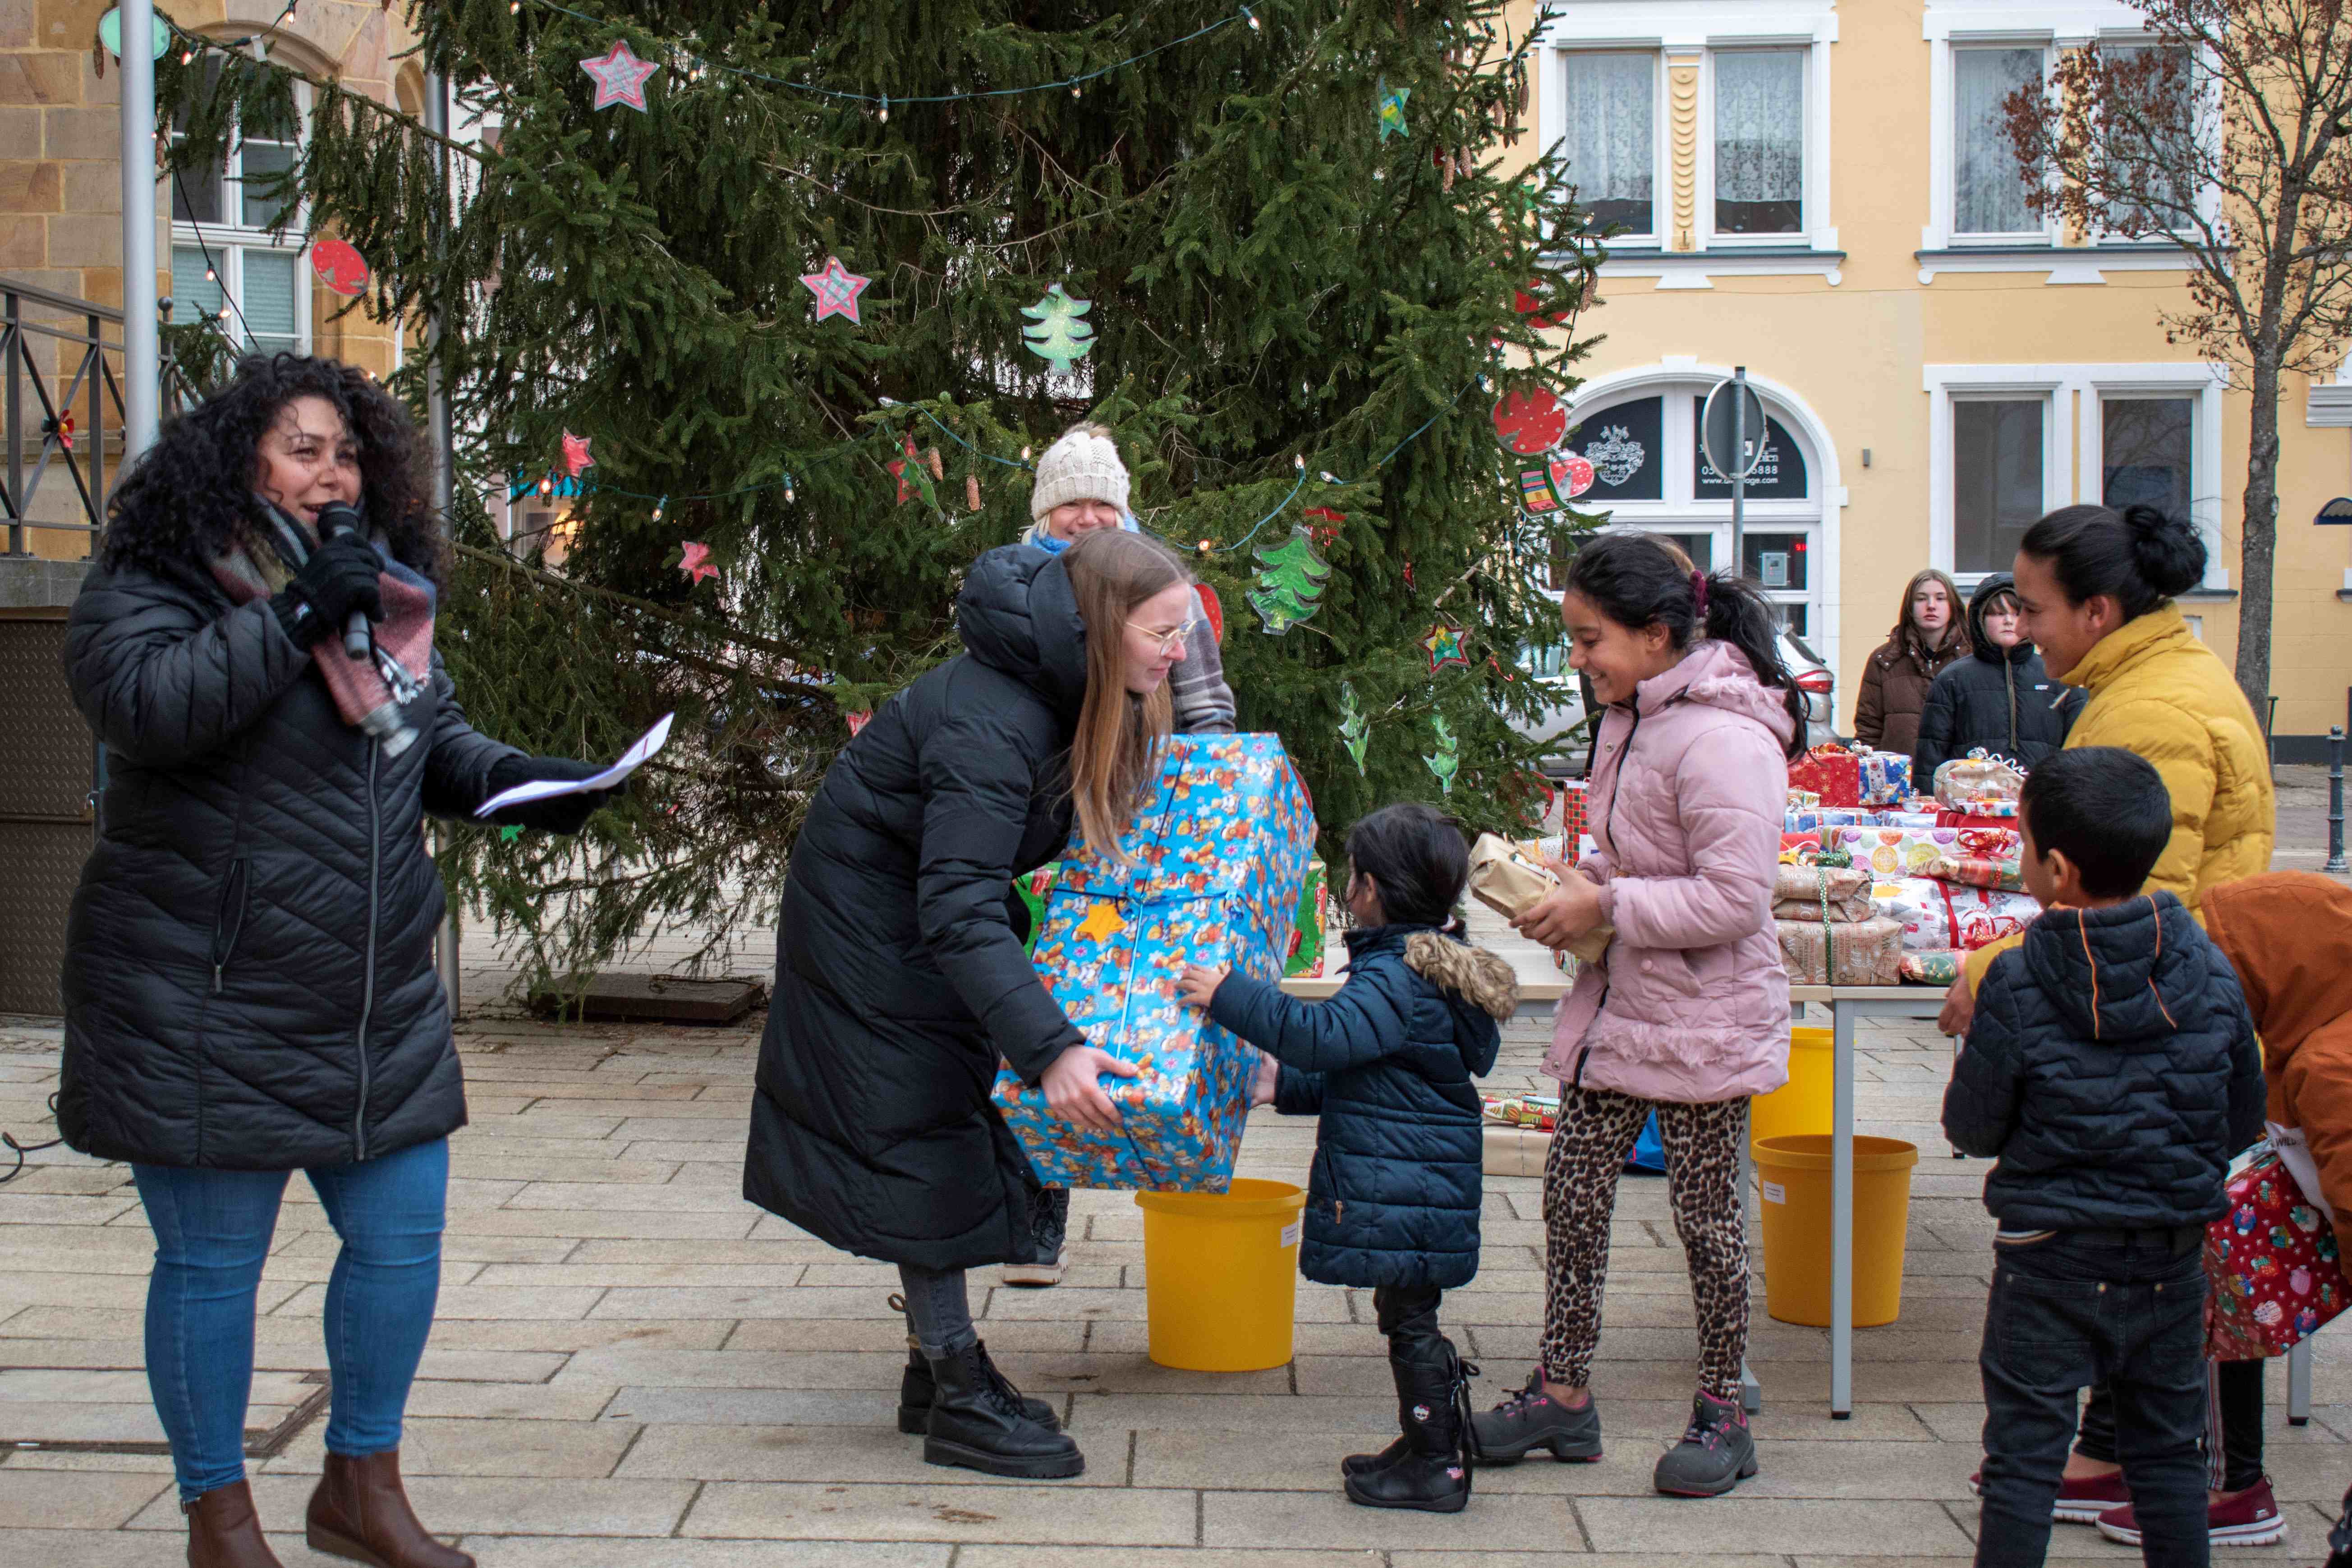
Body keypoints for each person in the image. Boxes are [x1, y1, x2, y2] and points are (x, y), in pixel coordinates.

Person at [56, 354, 622, 1568]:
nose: (333, 471)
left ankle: (359, 1485)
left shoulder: (378, 591)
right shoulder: (153, 581)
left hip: (371, 995)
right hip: (204, 992)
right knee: (213, 1265)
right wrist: (298, 609)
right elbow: (152, 707)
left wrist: (532, 786)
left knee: (402, 1244)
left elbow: (434, 738)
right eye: (304, 448)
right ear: (238, 459)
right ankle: (221, 1516)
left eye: (348, 450)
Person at [742, 527, 1203, 1481]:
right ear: (1105, 625)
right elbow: (954, 902)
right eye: (1164, 631)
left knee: (947, 1112)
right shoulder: (993, 722)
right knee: (927, 1130)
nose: (1179, 651)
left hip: (924, 907)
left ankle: (932, 1372)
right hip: (873, 921)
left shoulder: (1060, 685)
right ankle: (956, 1387)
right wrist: (1050, 1048)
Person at [1931, 503, 2277, 1544]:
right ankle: (2174, 1471)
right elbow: (2233, 1113)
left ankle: (2230, 1481)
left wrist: (1997, 968)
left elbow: (2131, 907)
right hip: (2171, 1149)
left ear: (2097, 607)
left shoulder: (2147, 712)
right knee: (2164, 1392)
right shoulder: (2157, 679)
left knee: (2030, 1443)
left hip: (2091, 1162)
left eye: (2033, 608)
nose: (2021, 625)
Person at [1472, 532, 1804, 1498]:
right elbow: (1642, 853)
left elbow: (1736, 899)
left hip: (1702, 1017)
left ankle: (1722, 1411)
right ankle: (1563, 1394)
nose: (1578, 660)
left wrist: (1606, 906)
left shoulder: (1726, 737)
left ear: (1656, 636)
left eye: (1590, 639)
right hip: (1622, 1005)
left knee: (1707, 1220)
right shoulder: (1636, 714)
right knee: (1572, 1193)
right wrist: (1579, 884)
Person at [1943, 748, 2265, 1568]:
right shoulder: (2212, 973)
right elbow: (2239, 1118)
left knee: (2022, 1458)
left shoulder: (2015, 983)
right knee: (2167, 1455)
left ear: (2056, 867)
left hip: (2047, 1255)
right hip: (2171, 1251)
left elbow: (1975, 1127)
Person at [1177, 803, 1516, 1513]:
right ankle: (1431, 1441)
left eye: (1352, 876)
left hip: (1409, 1184)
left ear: (1374, 890)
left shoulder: (1394, 975)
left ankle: (1437, 1466)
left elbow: (1323, 1033)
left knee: (1410, 1322)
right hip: (1417, 1178)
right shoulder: (1421, 966)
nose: (1346, 886)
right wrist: (1285, 1086)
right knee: (1405, 1313)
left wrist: (1229, 995)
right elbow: (1377, 1066)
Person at [1012, 420, 1238, 1286]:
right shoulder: (1021, 582)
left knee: (1155, 994)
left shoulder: (1158, 582)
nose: (1088, 515)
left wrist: (1211, 799)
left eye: (1102, 499)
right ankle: (1036, 1225)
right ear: (1044, 509)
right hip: (1045, 820)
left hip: (1151, 822)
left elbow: (1207, 703)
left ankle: (1185, 1172)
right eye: (1071, 500)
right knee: (1049, 1004)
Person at [2088, 871, 2352, 1553]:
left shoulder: (2332, 1066)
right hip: (2321, 1210)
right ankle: (2218, 1476)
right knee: (2213, 1234)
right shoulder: (2312, 1029)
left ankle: (2232, 1486)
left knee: (2214, 1256)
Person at [1912, 573, 2082, 786]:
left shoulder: (2058, 675)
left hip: (2043, 800)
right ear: (1980, 620)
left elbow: (2080, 749)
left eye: (2017, 613)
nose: (2009, 621)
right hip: (1971, 803)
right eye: (1998, 614)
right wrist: (1928, 804)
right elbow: (1931, 752)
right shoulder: (1953, 679)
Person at [1853, 567, 1969, 755]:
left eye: (1940, 598)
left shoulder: (1971, 660)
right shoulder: (1884, 661)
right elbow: (1868, 729)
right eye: (1921, 599)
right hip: (1899, 779)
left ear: (1953, 606)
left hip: (1958, 778)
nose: (1931, 606)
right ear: (1909, 607)